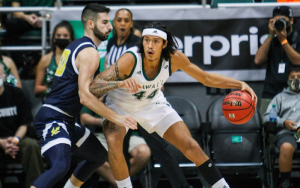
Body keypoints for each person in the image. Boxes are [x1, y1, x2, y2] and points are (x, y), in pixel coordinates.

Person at [89, 22, 257, 188]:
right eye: (147, 40)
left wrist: (239, 84)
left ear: (164, 44)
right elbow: (94, 86)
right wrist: (120, 83)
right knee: (113, 140)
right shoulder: (130, 59)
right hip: (120, 104)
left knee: (190, 146)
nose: (150, 45)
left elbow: (206, 78)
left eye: (155, 41)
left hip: (152, 103)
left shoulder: (175, 58)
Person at [31, 4, 137, 188]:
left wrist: (119, 84)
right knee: (60, 166)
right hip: (54, 117)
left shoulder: (77, 45)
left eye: (109, 22)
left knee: (98, 156)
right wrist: (118, 117)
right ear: (90, 24)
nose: (110, 27)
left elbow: (93, 89)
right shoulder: (90, 53)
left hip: (68, 120)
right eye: (104, 22)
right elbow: (85, 97)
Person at [104, 9, 188, 187]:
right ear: (114, 23)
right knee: (121, 149)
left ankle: (182, 186)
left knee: (160, 148)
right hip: (120, 103)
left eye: (127, 20)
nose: (122, 24)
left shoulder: (139, 45)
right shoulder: (110, 43)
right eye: (119, 20)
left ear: (132, 24)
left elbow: (155, 74)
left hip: (142, 101)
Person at [80, 105, 151, 188]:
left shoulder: (129, 93)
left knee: (144, 152)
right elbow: (84, 118)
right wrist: (106, 122)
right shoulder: (97, 92)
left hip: (130, 133)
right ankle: (120, 185)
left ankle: (117, 184)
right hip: (102, 133)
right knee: (90, 153)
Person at [0, 63, 44, 188]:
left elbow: (24, 123)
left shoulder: (16, 94)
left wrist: (14, 140)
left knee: (31, 146)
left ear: (4, 77)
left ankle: (36, 185)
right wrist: (2, 143)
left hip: (16, 138)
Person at [254, 6, 300, 117]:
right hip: (271, 93)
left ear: (291, 20)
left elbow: (298, 61)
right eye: (276, 21)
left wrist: (283, 40)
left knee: (292, 126)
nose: (280, 23)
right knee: (268, 127)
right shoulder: (271, 41)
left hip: (294, 93)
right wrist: (270, 35)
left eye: (283, 20)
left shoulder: (298, 39)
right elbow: (258, 60)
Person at [263, 66, 300, 188]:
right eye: (292, 77)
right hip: (287, 133)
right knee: (286, 147)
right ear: (288, 79)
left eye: (299, 77)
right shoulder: (280, 98)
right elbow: (268, 117)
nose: (296, 79)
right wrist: (283, 122)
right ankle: (285, 182)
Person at [35, 20, 75, 99]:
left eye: (65, 36)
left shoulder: (76, 59)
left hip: (70, 102)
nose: (62, 38)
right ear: (53, 38)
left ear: (71, 39)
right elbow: (37, 89)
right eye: (58, 35)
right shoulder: (45, 60)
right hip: (50, 102)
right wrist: (52, 88)